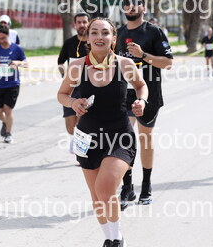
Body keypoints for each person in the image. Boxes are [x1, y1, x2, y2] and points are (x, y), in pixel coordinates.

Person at [58, 17, 148, 247]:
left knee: (105, 188)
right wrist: (73, 103)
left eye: (105, 32)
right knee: (97, 197)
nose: (100, 36)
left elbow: (141, 86)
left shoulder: (124, 64)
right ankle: (109, 238)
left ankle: (117, 239)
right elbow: (62, 94)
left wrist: (141, 101)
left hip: (119, 137)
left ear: (113, 38)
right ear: (87, 38)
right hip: (87, 138)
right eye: (94, 32)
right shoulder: (77, 67)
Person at [115, 0, 173, 209]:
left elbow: (168, 63)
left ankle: (146, 186)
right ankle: (127, 187)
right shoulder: (118, 33)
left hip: (148, 94)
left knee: (145, 138)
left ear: (144, 7)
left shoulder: (154, 32)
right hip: (123, 94)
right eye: (127, 3)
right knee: (124, 138)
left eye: (136, 2)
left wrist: (143, 55)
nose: (131, 6)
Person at [0, 25, 28, 143]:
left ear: (8, 35)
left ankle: (8, 134)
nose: (1, 41)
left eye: (3, 38)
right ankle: (5, 122)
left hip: (13, 84)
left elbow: (26, 63)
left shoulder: (17, 49)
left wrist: (18, 63)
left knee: (8, 109)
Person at [57, 13, 90, 154]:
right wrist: (64, 73)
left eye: (84, 22)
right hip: (71, 88)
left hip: (87, 87)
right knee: (70, 125)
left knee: (83, 120)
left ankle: (81, 149)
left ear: (89, 23)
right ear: (75, 25)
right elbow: (60, 62)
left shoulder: (93, 43)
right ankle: (75, 139)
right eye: (79, 22)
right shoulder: (69, 43)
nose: (82, 25)